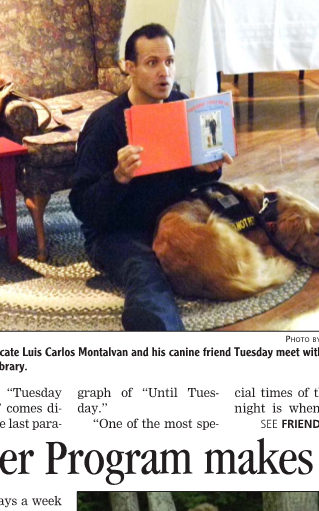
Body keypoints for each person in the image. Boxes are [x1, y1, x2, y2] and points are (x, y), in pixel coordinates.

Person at [69, 25, 225, 330]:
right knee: (145, 272)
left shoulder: (181, 106)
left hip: (175, 217)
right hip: (118, 231)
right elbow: (82, 207)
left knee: (250, 208)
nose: (163, 72)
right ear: (130, 68)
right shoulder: (103, 124)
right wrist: (118, 178)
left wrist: (206, 169)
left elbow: (194, 183)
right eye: (152, 63)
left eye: (169, 62)